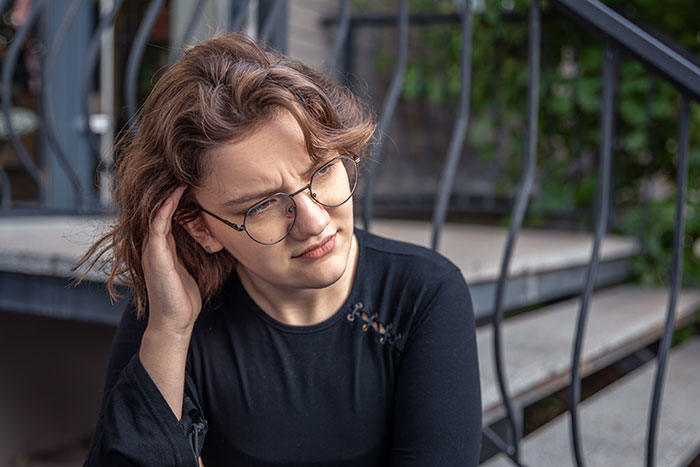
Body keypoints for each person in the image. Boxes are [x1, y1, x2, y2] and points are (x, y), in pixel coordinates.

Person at [77, 33, 481, 466]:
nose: (315, 221)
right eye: (263, 204)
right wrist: (170, 334)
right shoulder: (170, 313)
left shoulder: (422, 295)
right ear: (200, 227)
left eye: (323, 169)